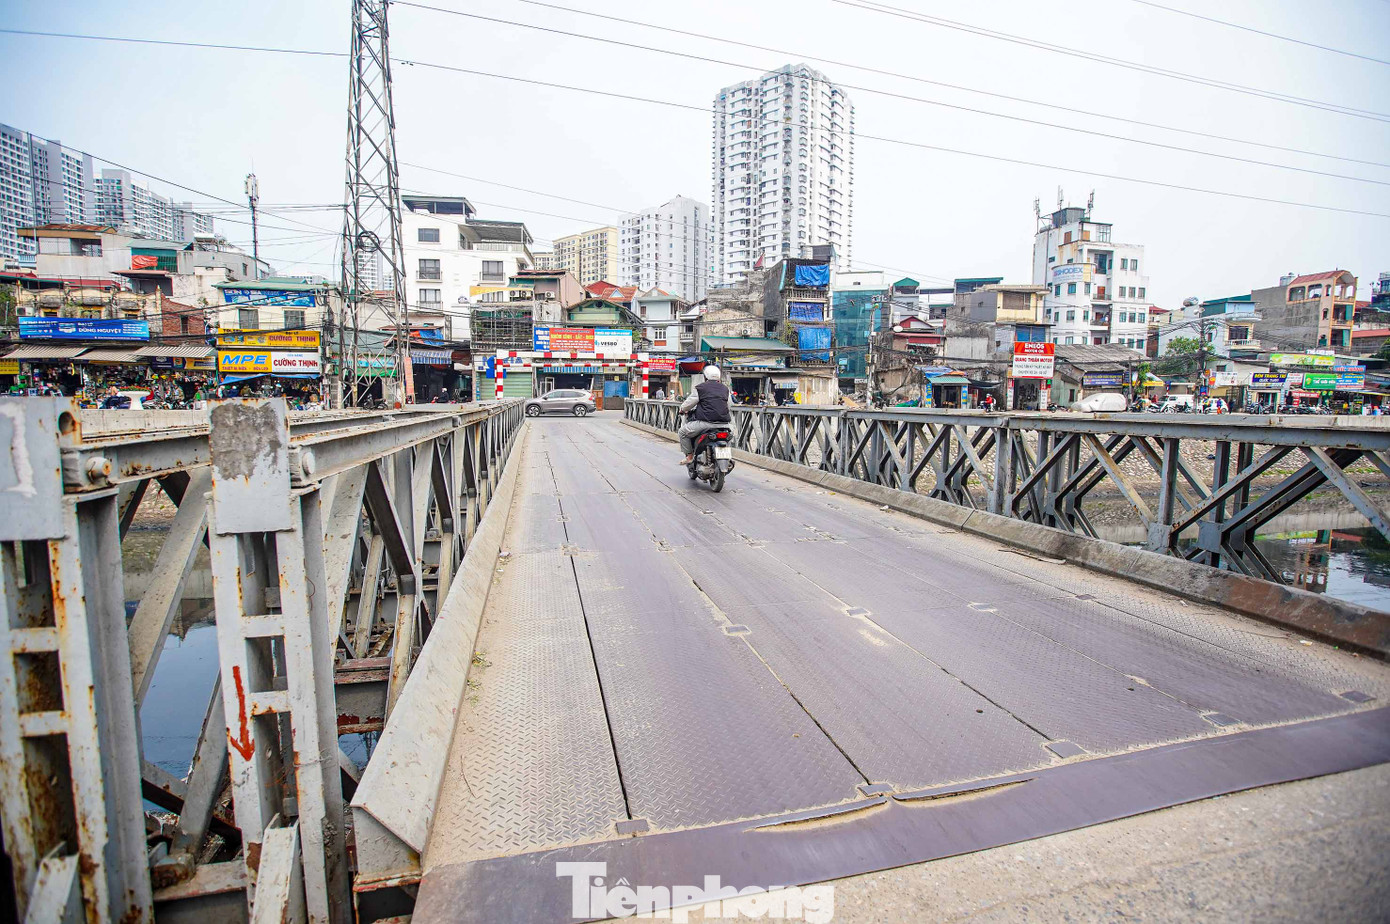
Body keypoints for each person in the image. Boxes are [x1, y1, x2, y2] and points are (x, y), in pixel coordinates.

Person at [677, 365, 731, 465]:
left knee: (682, 432)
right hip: (725, 424)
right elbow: (729, 405)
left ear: (705, 376)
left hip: (705, 423)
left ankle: (689, 456)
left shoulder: (700, 388)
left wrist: (682, 409)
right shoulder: (725, 389)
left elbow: (688, 404)